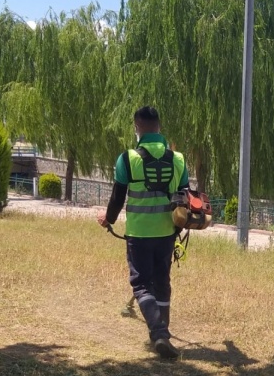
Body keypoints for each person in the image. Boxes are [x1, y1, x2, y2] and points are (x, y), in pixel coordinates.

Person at [97, 106, 190, 359]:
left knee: (141, 285)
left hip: (139, 233)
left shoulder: (127, 158)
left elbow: (118, 197)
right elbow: (185, 197)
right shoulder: (179, 159)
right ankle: (164, 332)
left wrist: (109, 219)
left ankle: (159, 334)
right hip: (167, 232)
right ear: (159, 127)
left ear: (137, 127)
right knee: (162, 282)